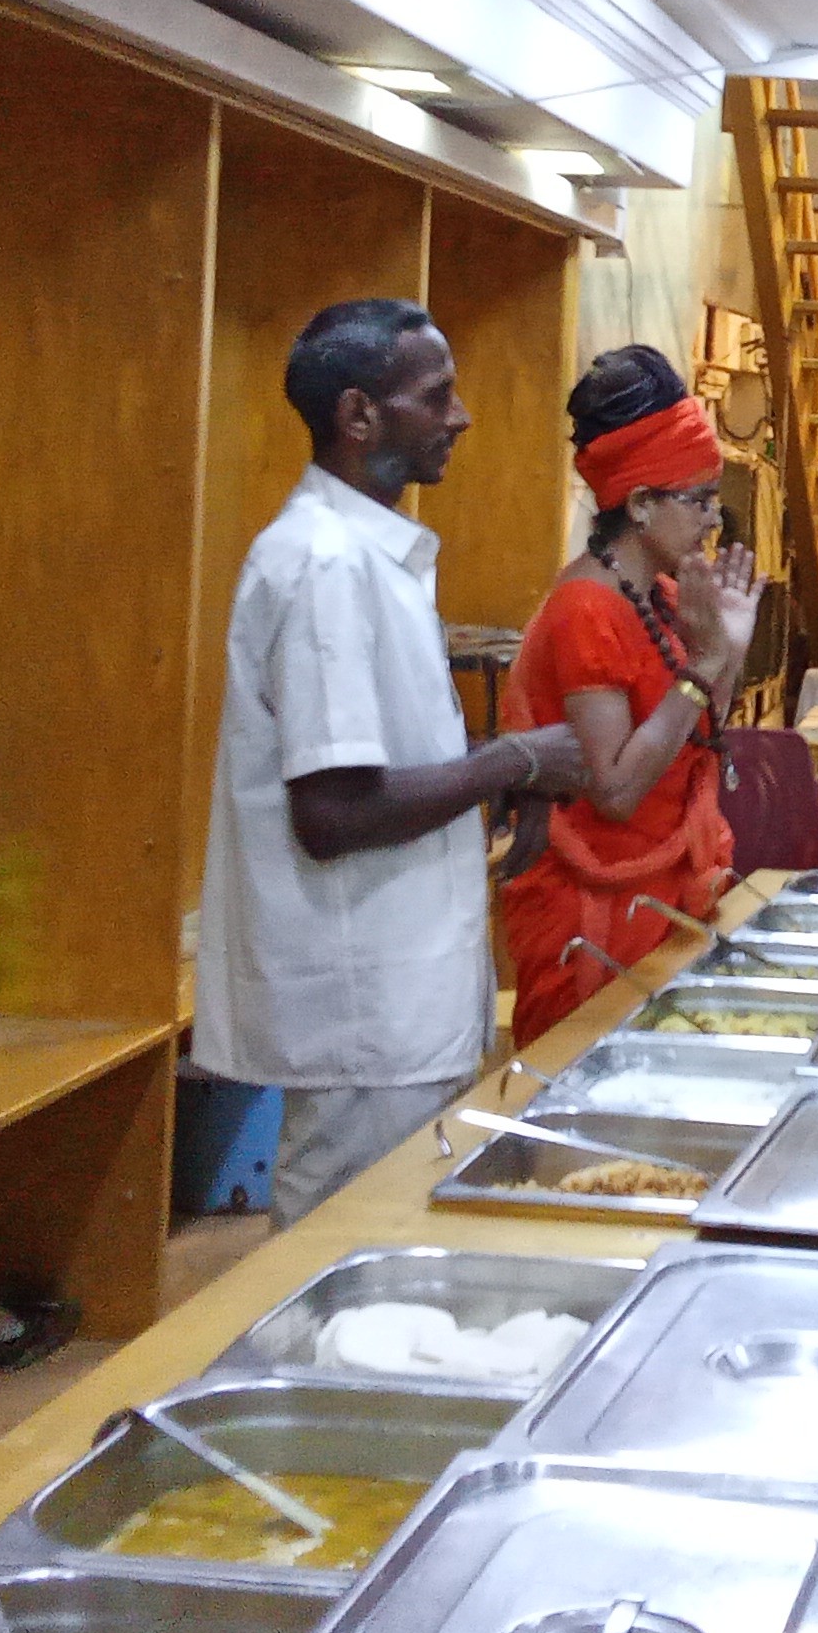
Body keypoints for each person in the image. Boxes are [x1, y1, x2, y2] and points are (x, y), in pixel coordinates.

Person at [196, 300, 587, 1227]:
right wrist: (515, 761)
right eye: (436, 396)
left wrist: (502, 773)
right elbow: (333, 814)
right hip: (363, 1009)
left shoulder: (371, 555)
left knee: (387, 1240)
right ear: (359, 415)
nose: (461, 417)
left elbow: (387, 767)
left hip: (402, 1000)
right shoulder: (324, 564)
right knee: (339, 1255)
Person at [498, 346, 761, 1050]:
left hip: (667, 896)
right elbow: (615, 790)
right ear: (641, 504)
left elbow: (702, 732)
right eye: (698, 500)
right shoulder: (586, 608)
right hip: (597, 916)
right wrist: (703, 664)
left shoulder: (665, 594)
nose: (714, 519)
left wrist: (728, 648)